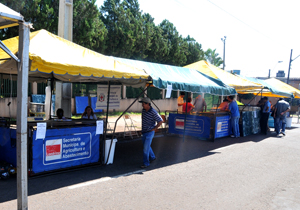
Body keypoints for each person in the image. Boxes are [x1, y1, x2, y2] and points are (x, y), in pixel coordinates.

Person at [139, 97, 163, 168]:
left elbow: (160, 120)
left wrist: (155, 128)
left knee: (145, 149)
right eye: (142, 104)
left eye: (144, 104)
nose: (142, 105)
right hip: (144, 132)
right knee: (146, 146)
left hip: (150, 132)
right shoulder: (143, 111)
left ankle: (146, 163)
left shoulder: (153, 112)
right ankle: (152, 157)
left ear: (148, 104)